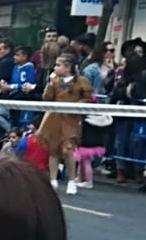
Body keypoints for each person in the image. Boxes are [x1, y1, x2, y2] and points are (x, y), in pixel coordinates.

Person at [34, 55, 93, 195]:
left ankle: (72, 180)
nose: (55, 68)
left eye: (58, 65)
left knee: (68, 149)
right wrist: (49, 83)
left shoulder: (81, 81)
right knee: (53, 148)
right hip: (54, 116)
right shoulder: (54, 81)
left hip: (71, 118)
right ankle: (53, 179)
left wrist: (76, 106)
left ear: (67, 67)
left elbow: (87, 98)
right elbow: (47, 97)